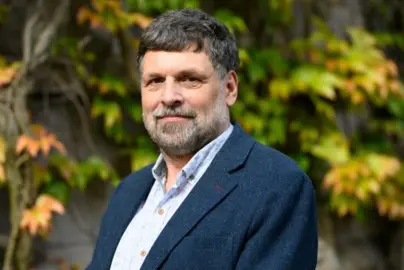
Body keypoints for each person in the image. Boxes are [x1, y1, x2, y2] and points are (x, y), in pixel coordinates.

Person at [87, 8, 318, 270]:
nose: (168, 96)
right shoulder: (127, 193)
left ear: (229, 88)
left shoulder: (277, 187)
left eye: (189, 79)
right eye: (155, 81)